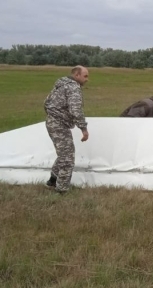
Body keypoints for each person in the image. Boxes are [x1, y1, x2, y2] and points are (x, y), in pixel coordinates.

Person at [43, 65, 90, 194]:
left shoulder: (61, 85)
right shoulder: (73, 87)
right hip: (58, 125)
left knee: (64, 154)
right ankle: (61, 190)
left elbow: (46, 102)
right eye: (85, 76)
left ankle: (53, 180)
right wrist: (83, 128)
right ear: (76, 75)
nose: (87, 79)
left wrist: (53, 115)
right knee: (67, 158)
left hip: (52, 122)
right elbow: (75, 110)